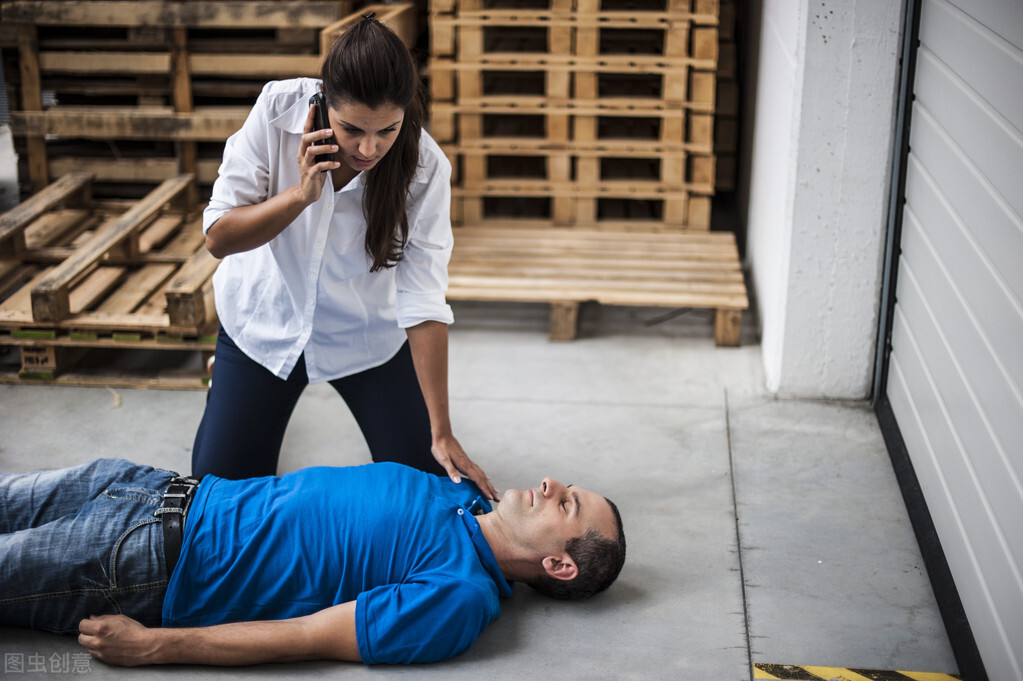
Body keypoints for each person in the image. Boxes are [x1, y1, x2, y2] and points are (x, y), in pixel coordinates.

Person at [191, 14, 496, 499]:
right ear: (323, 99)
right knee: (216, 501)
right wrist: (299, 195)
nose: (369, 147)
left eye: (387, 130)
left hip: (367, 335)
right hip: (264, 327)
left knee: (436, 493)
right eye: (352, 128)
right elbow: (218, 239)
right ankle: (230, 385)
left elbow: (423, 298)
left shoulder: (425, 166)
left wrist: (441, 430)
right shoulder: (276, 110)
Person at [0, 458, 626, 667]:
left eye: (566, 504)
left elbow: (306, 637)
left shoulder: (459, 597)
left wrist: (158, 647)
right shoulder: (464, 494)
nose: (548, 484)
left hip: (143, 562)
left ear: (560, 566)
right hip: (150, 485)